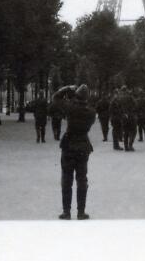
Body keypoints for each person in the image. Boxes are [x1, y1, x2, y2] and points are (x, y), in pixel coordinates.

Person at [53, 84, 97, 220]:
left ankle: (66, 212)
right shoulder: (91, 112)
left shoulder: (70, 107)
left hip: (69, 145)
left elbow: (55, 98)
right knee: (82, 179)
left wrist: (67, 88)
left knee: (66, 179)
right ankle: (81, 212)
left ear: (76, 95)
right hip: (83, 145)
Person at [118, 86, 138, 151]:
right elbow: (136, 105)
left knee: (125, 132)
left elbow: (118, 108)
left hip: (124, 117)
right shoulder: (130, 97)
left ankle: (126, 147)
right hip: (131, 116)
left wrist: (122, 114)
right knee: (133, 131)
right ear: (126, 90)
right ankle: (130, 145)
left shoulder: (120, 99)